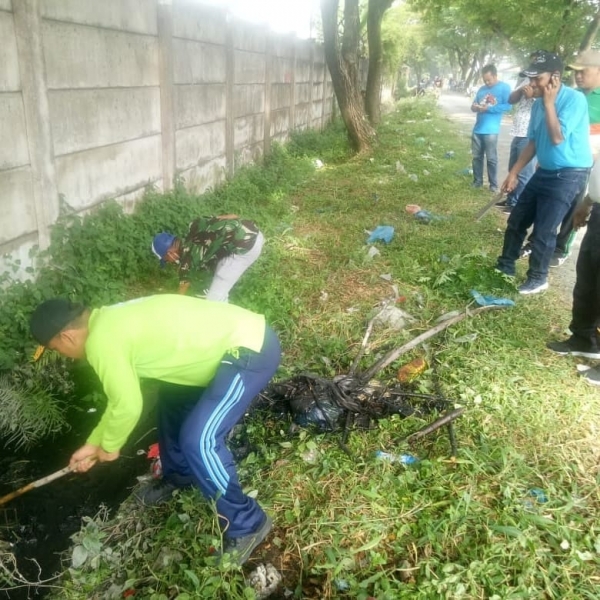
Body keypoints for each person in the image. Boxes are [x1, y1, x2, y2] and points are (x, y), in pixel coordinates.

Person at [29, 294, 281, 564]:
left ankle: (248, 523)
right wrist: (94, 443)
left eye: (56, 349)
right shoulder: (107, 320)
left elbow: (127, 406)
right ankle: (181, 476)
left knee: (199, 440)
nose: (63, 355)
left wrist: (110, 447)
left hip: (248, 351)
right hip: (222, 348)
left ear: (67, 337)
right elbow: (120, 400)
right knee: (171, 401)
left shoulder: (101, 342)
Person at [495, 51, 592, 295]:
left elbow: (558, 138)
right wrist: (514, 173)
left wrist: (549, 103)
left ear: (555, 78)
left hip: (569, 174)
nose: (532, 84)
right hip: (546, 170)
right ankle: (505, 266)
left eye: (537, 78)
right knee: (517, 219)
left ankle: (538, 277)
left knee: (545, 228)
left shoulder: (574, 100)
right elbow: (533, 142)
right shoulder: (538, 103)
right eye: (531, 78)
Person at [550, 50, 600, 268]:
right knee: (558, 202)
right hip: (567, 159)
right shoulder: (572, 95)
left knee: (577, 206)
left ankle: (562, 248)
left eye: (583, 71)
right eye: (575, 72)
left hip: (592, 163)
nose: (578, 76)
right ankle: (545, 241)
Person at [152, 215, 264, 302]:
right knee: (218, 266)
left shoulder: (187, 261)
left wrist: (174, 305)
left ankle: (224, 322)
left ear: (170, 253)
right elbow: (232, 216)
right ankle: (219, 293)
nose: (169, 262)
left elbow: (181, 293)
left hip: (247, 247)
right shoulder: (195, 225)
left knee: (214, 300)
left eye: (166, 259)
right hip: (252, 230)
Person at [496, 57, 538, 215]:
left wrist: (532, 96)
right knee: (513, 168)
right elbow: (511, 99)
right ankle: (511, 199)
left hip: (529, 132)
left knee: (524, 172)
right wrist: (521, 90)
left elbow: (545, 105)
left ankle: (518, 204)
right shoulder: (526, 79)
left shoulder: (544, 84)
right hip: (518, 130)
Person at [470, 64, 512, 193]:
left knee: (491, 158)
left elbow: (508, 106)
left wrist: (489, 108)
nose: (487, 82)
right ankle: (477, 181)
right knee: (476, 157)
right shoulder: (482, 89)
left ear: (495, 75)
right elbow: (473, 106)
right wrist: (475, 107)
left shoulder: (504, 88)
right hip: (478, 129)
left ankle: (493, 185)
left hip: (491, 130)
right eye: (485, 80)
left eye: (489, 80)